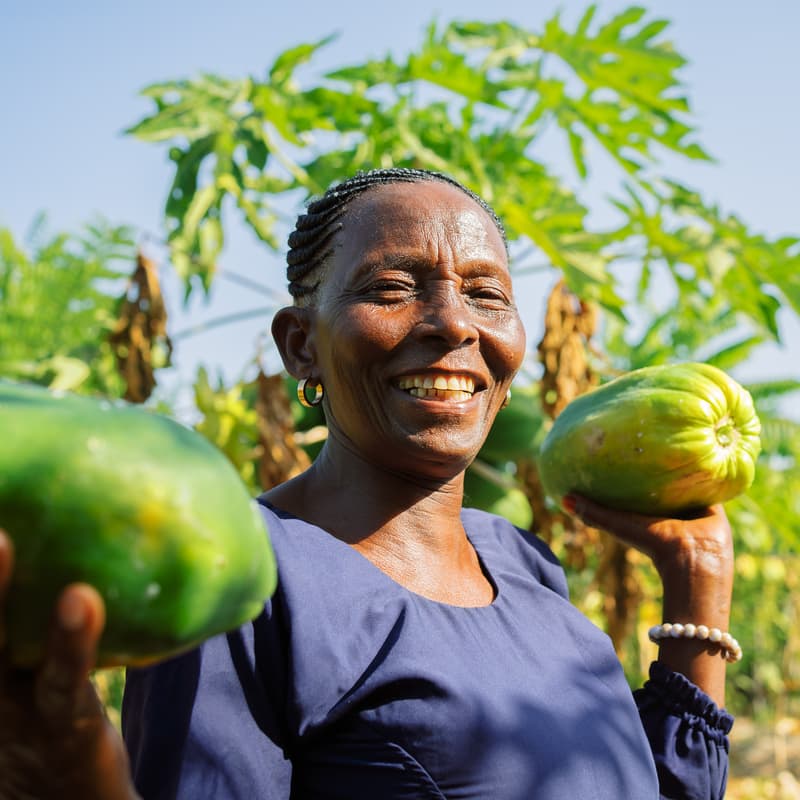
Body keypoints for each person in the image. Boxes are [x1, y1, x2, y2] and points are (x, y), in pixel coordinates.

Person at [0, 168, 736, 799]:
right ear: (301, 346)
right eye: (391, 288)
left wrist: (698, 579)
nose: (454, 323)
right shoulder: (244, 580)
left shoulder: (525, 563)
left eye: (486, 295)